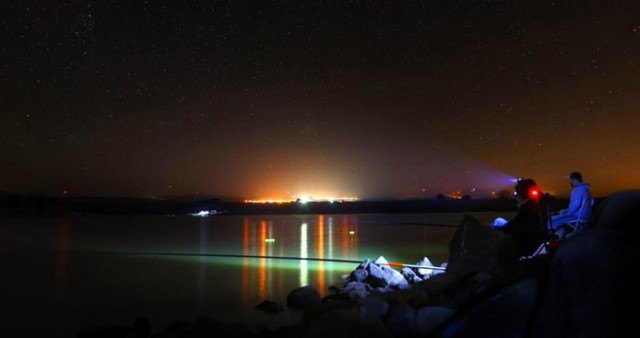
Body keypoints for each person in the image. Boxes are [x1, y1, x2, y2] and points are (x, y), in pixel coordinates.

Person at [491, 178, 547, 257]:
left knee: (496, 225)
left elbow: (516, 226)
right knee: (499, 220)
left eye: (517, 193)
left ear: (523, 194)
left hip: (524, 246)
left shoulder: (530, 210)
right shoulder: (536, 205)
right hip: (530, 238)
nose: (515, 196)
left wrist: (496, 228)